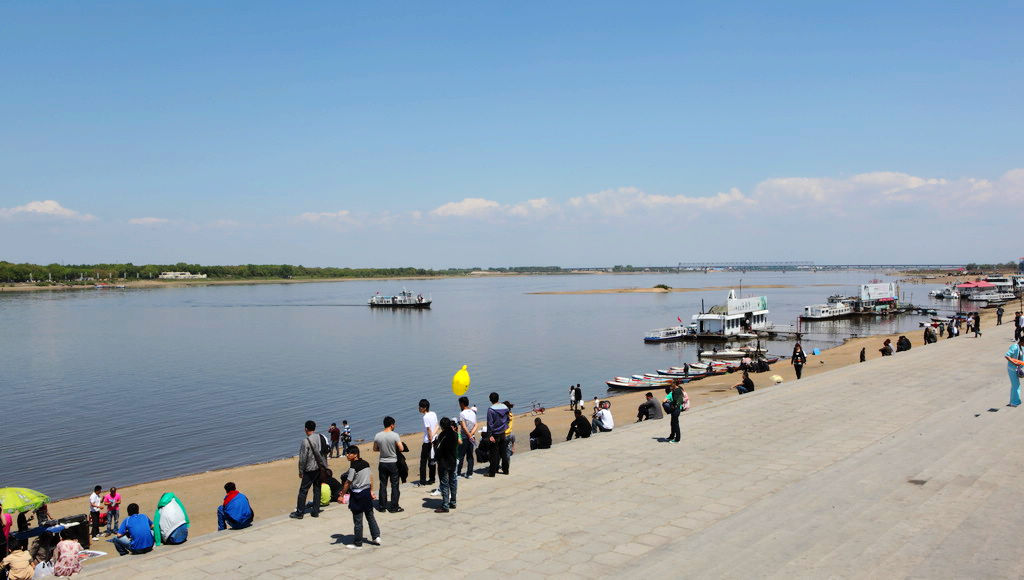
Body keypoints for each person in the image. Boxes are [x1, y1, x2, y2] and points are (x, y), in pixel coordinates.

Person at [341, 446, 380, 549]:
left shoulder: (353, 467)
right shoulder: (366, 464)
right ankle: (376, 536)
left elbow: (348, 482)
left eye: (349, 453)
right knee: (370, 515)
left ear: (355, 454)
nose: (347, 455)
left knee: (358, 519)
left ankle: (358, 543)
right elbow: (370, 477)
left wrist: (342, 495)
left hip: (357, 494)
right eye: (347, 453)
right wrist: (371, 490)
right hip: (366, 492)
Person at [291, 420, 327, 519]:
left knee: (303, 491)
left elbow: (303, 458)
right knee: (317, 489)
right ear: (314, 428)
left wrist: (300, 471)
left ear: (306, 429)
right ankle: (315, 511)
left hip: (310, 469)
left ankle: (299, 513)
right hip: (319, 468)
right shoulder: (320, 437)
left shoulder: (305, 441)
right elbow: (324, 450)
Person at [372, 416, 407, 513]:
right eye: (394, 424)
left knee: (383, 484)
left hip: (382, 462)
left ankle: (382, 506)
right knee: (394, 485)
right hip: (393, 463)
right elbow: (401, 448)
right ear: (392, 425)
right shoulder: (395, 435)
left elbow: (375, 448)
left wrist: (383, 449)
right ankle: (394, 507)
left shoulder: (378, 435)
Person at [434, 417, 459, 513]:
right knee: (453, 481)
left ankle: (445, 505)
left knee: (444, 483)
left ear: (442, 426)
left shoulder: (442, 435)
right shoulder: (455, 434)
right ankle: (453, 502)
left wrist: (435, 445)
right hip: (452, 460)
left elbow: (439, 450)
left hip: (444, 462)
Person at [485, 393, 510, 477]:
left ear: (490, 400)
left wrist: (490, 435)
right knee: (503, 452)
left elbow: (490, 424)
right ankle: (506, 470)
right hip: (502, 433)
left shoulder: (490, 410)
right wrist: (505, 427)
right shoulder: (505, 407)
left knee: (494, 454)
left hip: (495, 434)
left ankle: (492, 473)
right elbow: (508, 419)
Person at [417, 399, 439, 486]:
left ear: (424, 408)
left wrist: (430, 438)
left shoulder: (425, 417)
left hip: (428, 441)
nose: (419, 408)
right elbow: (437, 426)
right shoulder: (433, 413)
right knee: (432, 459)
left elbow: (428, 429)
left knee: (423, 461)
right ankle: (432, 479)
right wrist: (433, 436)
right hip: (435, 439)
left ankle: (422, 481)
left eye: (420, 407)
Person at [456, 397, 478, 479]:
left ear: (462, 404)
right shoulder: (473, 412)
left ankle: (458, 473)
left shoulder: (462, 414)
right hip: (472, 437)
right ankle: (469, 473)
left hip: (465, 437)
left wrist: (468, 435)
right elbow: (476, 425)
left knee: (461, 455)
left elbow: (464, 427)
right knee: (470, 456)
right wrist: (471, 435)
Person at [1005, 336, 1024, 407]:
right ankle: (1014, 402)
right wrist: (1014, 363)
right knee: (1016, 385)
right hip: (1012, 369)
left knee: (1015, 385)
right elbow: (1007, 356)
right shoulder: (1014, 347)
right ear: (1022, 342)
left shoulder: (1022, 347)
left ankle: (1013, 401)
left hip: (1018, 368)